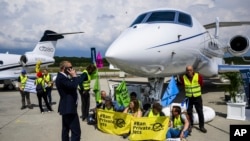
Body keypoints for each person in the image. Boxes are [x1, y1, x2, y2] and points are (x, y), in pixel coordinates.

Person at [56, 61, 81, 141]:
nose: (72, 69)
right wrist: (74, 76)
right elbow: (73, 86)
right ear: (64, 68)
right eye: (70, 68)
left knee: (66, 129)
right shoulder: (61, 78)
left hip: (67, 107)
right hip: (69, 108)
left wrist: (72, 77)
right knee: (76, 131)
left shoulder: (64, 77)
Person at [179, 65, 207, 133]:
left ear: (193, 70)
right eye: (188, 70)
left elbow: (201, 84)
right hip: (188, 98)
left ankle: (202, 126)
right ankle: (190, 126)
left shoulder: (198, 76)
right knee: (189, 113)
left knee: (200, 112)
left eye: (190, 70)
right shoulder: (183, 77)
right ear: (186, 71)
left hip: (197, 97)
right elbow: (183, 85)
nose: (189, 71)